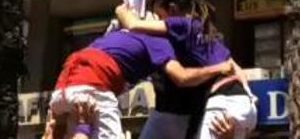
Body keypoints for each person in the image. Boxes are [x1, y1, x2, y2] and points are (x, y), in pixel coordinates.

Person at [116, 0, 257, 139]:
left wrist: (121, 11)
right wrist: (250, 98)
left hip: (221, 103)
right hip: (245, 104)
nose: (158, 21)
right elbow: (236, 69)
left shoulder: (181, 24)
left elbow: (134, 25)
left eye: (159, 15)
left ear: (173, 9)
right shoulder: (208, 31)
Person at [49, 26, 232, 139]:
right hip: (91, 88)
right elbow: (181, 77)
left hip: (61, 90)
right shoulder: (158, 41)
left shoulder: (113, 37)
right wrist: (220, 67)